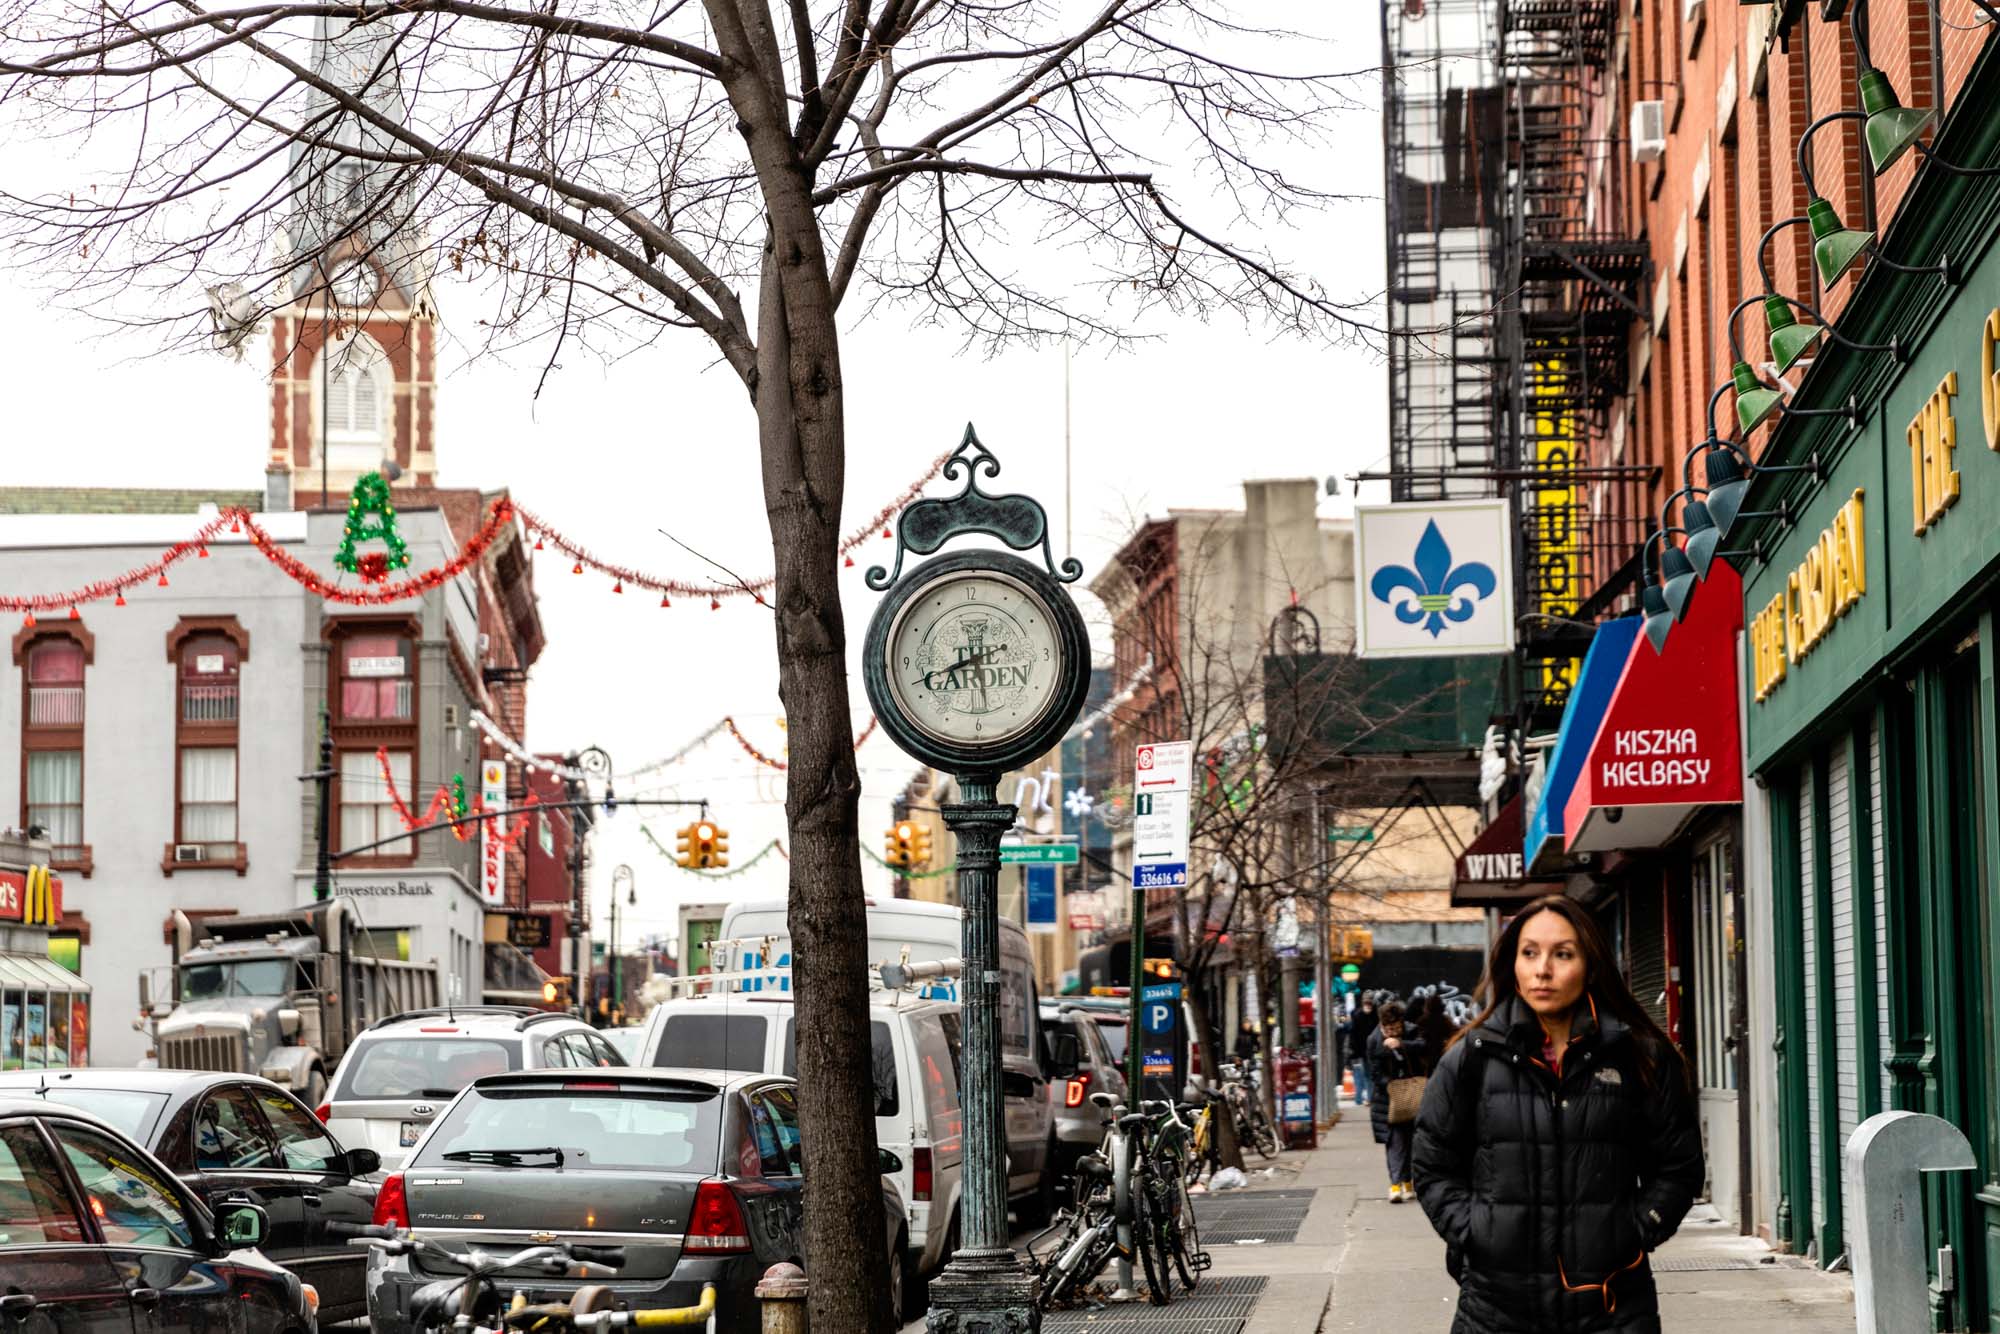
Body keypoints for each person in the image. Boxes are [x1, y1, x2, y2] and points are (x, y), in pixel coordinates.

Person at [1412, 895, 1703, 1333]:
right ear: (1512, 962)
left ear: (1590, 964)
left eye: (1562, 954)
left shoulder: (1640, 1057)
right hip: (1495, 1310)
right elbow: (1433, 1165)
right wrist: (1475, 1232)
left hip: (1612, 1308)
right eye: (1529, 953)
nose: (1542, 969)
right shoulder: (1470, 1059)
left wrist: (1635, 1232)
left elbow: (1678, 1167)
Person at [1367, 1000, 1425, 1203]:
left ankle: (1407, 1182)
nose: (1393, 1032)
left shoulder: (1411, 1031)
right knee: (1395, 1142)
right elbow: (1374, 1072)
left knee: (1412, 1142)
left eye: (1396, 1028)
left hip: (1413, 1095)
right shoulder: (1374, 1039)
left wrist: (1402, 1044)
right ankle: (1395, 1184)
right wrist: (1391, 1085)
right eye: (1389, 1029)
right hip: (1388, 1101)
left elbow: (1424, 1047)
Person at [1348, 993, 1379, 1104]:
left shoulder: (1357, 1015)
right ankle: (1368, 1098)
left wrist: (1353, 1050)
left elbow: (1353, 1034)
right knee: (1368, 1075)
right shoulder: (1376, 1015)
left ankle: (1360, 1099)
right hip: (1367, 1050)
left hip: (1361, 1050)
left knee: (1362, 1074)